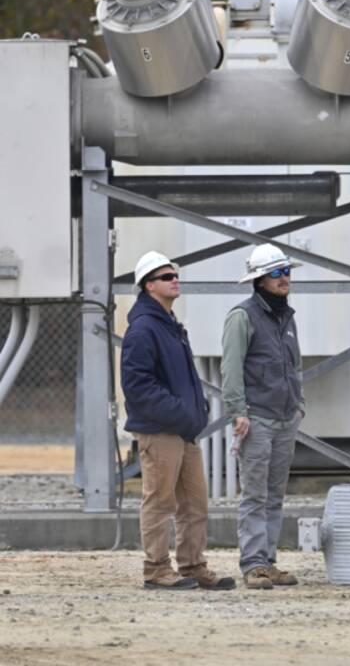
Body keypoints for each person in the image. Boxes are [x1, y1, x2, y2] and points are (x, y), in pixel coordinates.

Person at [121, 250, 236, 591]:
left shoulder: (169, 325)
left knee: (194, 503)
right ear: (148, 286)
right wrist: (181, 412)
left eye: (175, 275)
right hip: (160, 430)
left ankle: (192, 565)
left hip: (182, 430)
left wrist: (192, 413)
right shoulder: (143, 329)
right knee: (160, 500)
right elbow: (138, 385)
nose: (175, 280)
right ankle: (156, 569)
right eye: (166, 277)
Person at [222, 243, 305, 590]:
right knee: (255, 495)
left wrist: (299, 404)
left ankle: (266, 561)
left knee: (274, 495)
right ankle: (253, 563)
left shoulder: (287, 317)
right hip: (257, 420)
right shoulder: (242, 316)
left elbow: (294, 364)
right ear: (259, 280)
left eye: (285, 271)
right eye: (275, 273)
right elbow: (231, 369)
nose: (284, 278)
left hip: (285, 419)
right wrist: (238, 412)